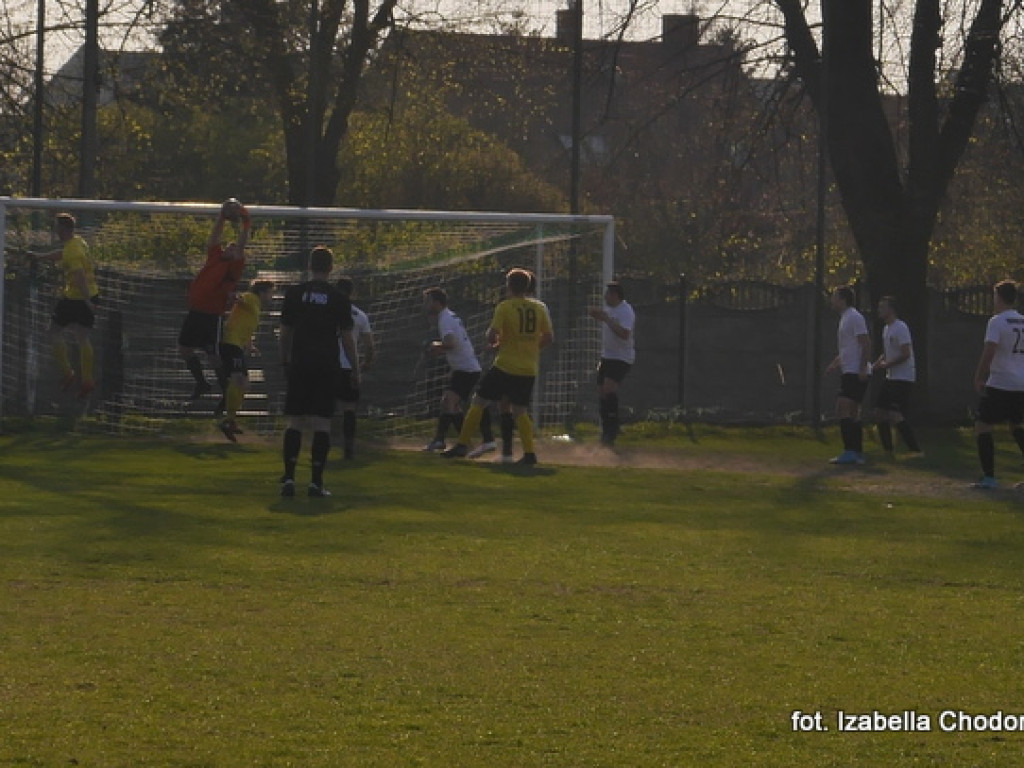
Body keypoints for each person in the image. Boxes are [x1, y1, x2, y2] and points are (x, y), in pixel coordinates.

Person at [442, 267, 554, 465]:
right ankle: (529, 454)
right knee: (520, 410)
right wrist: (531, 349)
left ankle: (462, 444)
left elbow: (492, 334)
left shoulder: (505, 307)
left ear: (509, 286)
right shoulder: (539, 308)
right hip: (528, 367)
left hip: (505, 365)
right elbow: (548, 337)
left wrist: (495, 344)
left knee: (479, 400)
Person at [279, 245, 358, 498]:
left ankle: (289, 479)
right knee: (322, 422)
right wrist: (355, 368)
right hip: (326, 365)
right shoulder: (339, 298)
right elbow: (347, 339)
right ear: (331, 268)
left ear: (309, 266)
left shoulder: (294, 293)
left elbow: (284, 332)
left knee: (295, 421)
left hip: (300, 362)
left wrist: (285, 357)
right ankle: (315, 483)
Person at [178, 198, 249, 402]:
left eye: (235, 248)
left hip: (211, 316)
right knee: (184, 349)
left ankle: (225, 391)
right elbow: (214, 239)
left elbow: (242, 243)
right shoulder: (215, 258)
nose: (231, 248)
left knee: (213, 356)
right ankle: (201, 383)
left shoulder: (234, 267)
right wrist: (221, 216)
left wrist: (246, 221)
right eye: (230, 246)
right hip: (195, 311)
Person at [30, 212, 100, 398]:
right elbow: (62, 255)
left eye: (57, 228)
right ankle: (86, 380)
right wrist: (40, 257)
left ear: (64, 229)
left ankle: (70, 374)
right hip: (86, 294)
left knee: (54, 333)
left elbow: (79, 277)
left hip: (78, 298)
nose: (55, 231)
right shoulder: (78, 242)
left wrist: (87, 302)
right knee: (81, 337)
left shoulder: (73, 249)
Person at [422, 286, 497, 456]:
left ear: (437, 303)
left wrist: (435, 345)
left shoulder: (445, 319)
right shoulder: (447, 316)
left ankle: (461, 442)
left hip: (466, 368)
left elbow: (451, 343)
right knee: (448, 403)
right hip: (463, 367)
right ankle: (446, 440)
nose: (425, 305)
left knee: (451, 402)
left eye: (428, 301)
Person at [970, 280, 1024, 489]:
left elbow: (990, 350)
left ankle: (989, 477)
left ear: (999, 297)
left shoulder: (997, 321)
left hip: (1001, 381)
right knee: (1016, 426)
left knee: (982, 426)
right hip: (1020, 383)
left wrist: (979, 375)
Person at [217, 280, 274, 442]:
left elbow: (245, 327)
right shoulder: (251, 298)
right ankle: (227, 418)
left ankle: (230, 419)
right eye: (270, 292)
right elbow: (240, 299)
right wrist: (234, 297)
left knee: (244, 384)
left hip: (236, 346)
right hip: (230, 344)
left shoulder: (256, 307)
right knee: (240, 381)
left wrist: (250, 345)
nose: (272, 296)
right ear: (262, 292)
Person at [824, 285, 871, 465]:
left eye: (834, 296)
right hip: (848, 370)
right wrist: (835, 364)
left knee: (842, 408)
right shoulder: (844, 318)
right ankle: (856, 453)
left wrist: (861, 369)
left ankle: (850, 451)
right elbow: (848, 348)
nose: (832, 300)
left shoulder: (854, 317)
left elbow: (865, 344)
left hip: (854, 371)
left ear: (843, 299)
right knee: (852, 412)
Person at [872, 296, 922, 458]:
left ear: (891, 310)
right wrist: (877, 364)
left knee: (895, 414)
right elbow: (887, 352)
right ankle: (888, 450)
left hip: (903, 377)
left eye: (882, 307)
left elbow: (905, 353)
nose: (879, 310)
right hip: (891, 377)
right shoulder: (886, 329)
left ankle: (915, 449)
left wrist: (888, 364)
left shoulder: (900, 327)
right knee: (880, 412)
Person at [588, 280, 636, 446]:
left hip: (622, 357)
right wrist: (598, 316)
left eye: (608, 293)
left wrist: (607, 319)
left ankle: (613, 429)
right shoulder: (609, 309)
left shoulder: (626, 311)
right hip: (607, 356)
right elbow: (606, 320)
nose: (605, 296)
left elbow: (624, 334)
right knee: (601, 391)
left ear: (616, 295)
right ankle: (606, 430)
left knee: (609, 388)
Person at [335, 276, 376, 459]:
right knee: (349, 408)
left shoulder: (327, 311)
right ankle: (348, 447)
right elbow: (369, 345)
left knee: (322, 407)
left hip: (326, 364)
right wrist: (366, 363)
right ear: (352, 293)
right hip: (348, 366)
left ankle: (318, 444)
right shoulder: (359, 315)